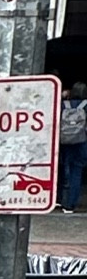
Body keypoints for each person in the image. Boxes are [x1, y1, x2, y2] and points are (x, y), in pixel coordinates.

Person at [58, 81, 87, 212]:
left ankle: (59, 199)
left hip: (65, 142)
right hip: (82, 142)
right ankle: (70, 204)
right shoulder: (86, 105)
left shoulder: (63, 105)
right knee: (77, 172)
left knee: (63, 170)